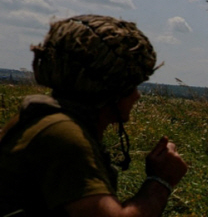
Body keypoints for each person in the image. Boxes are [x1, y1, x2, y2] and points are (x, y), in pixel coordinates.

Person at [0, 15, 188, 216]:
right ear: (110, 90)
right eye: (131, 86)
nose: (136, 96)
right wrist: (161, 181)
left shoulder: (48, 119)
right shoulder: (63, 135)